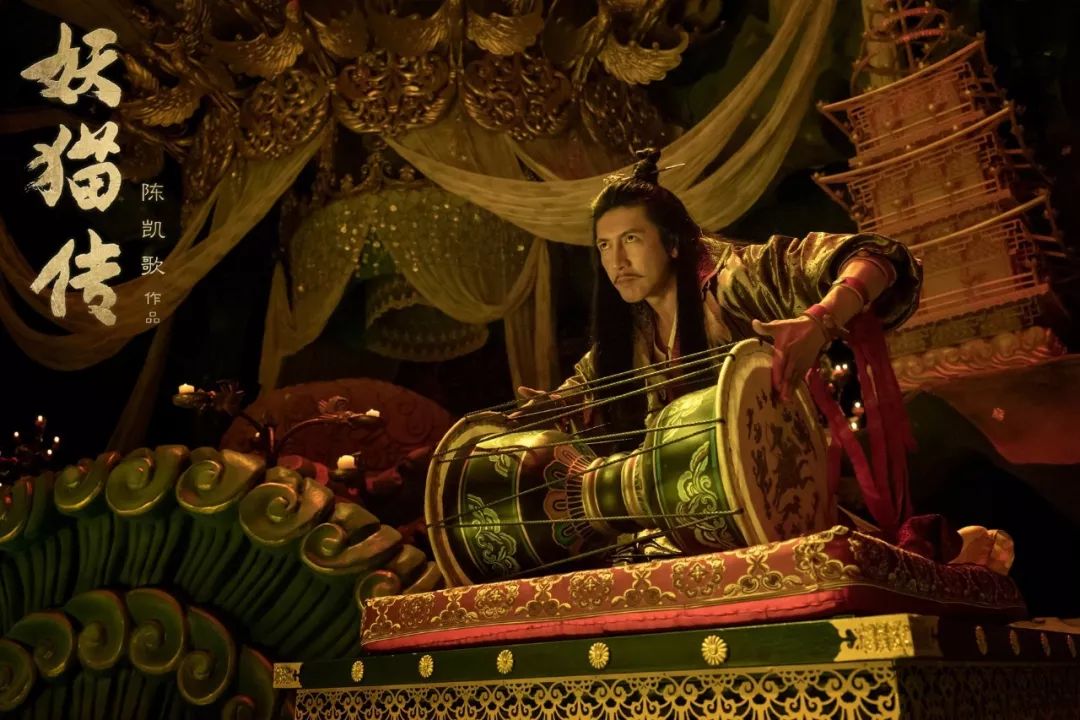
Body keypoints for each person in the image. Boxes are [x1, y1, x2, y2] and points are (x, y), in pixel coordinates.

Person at [516, 149, 922, 438]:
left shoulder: (738, 280)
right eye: (604, 246)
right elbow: (583, 393)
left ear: (673, 244)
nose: (617, 260)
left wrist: (820, 321)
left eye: (631, 239)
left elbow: (877, 256)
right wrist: (552, 409)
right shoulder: (630, 334)